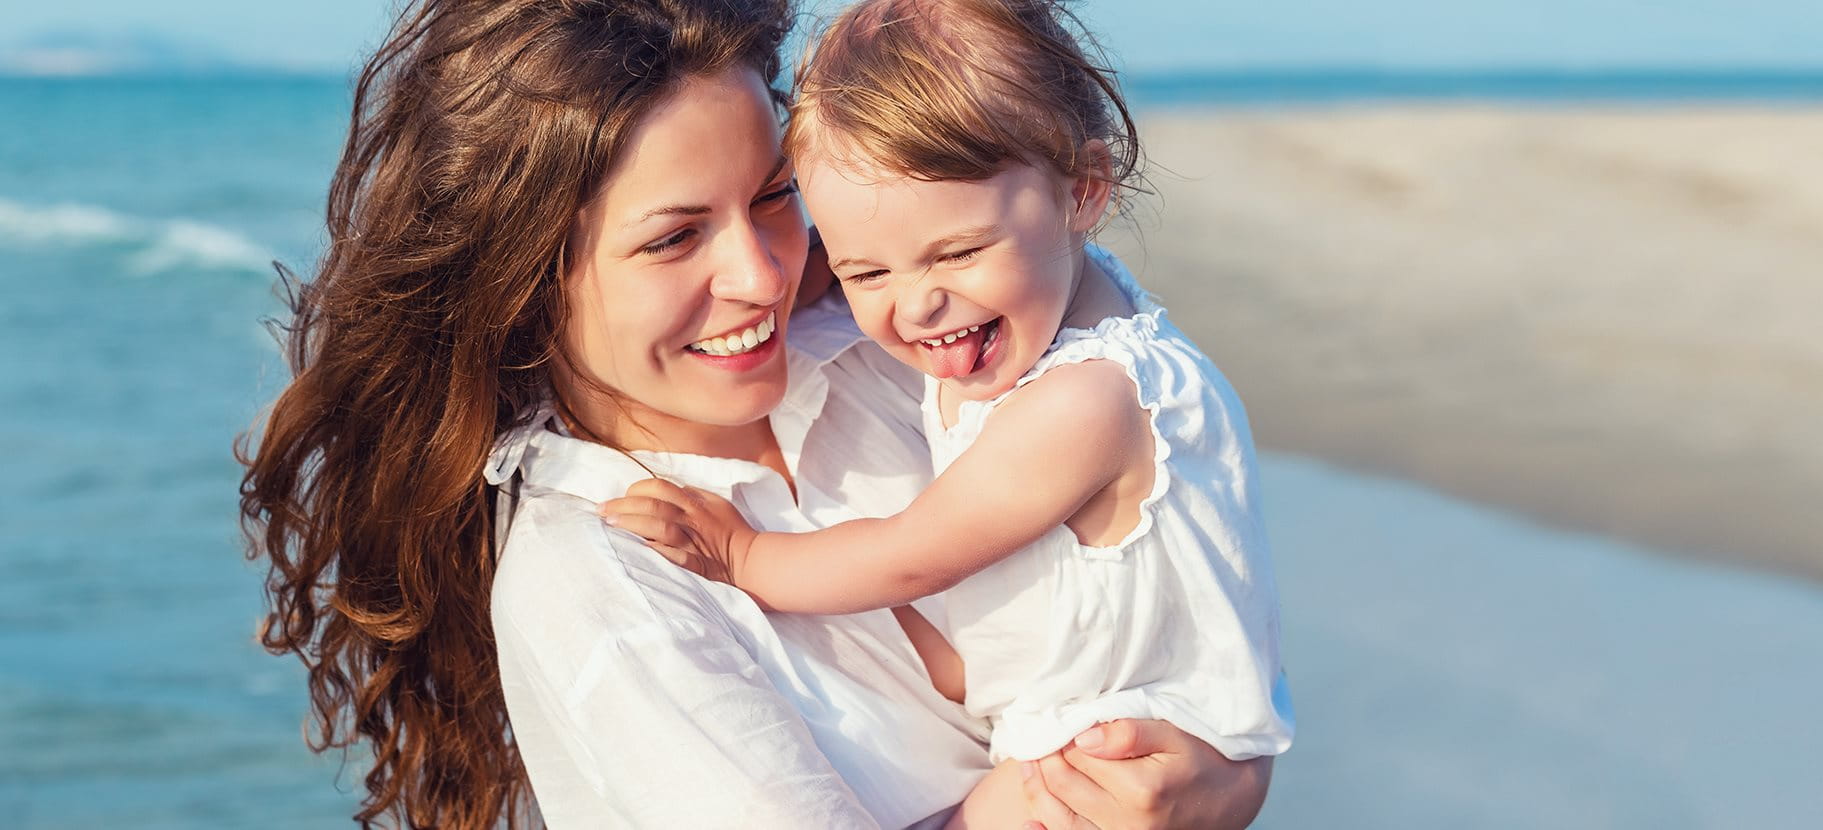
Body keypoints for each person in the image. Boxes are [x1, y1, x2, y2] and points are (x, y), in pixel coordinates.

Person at [237, 0, 1273, 827]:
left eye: (775, 197)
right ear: (523, 280)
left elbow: (1174, 594)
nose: (765, 275)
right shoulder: (599, 579)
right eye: (674, 238)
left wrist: (1223, 785)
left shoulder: (895, 346)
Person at [598, 0, 1290, 823]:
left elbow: (909, 558)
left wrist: (739, 552)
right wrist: (821, 276)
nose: (918, 304)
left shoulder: (1082, 403)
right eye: (866, 274)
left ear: (1084, 190)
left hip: (1105, 748)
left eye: (957, 254)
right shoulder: (1050, 281)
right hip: (1069, 682)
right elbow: (869, 242)